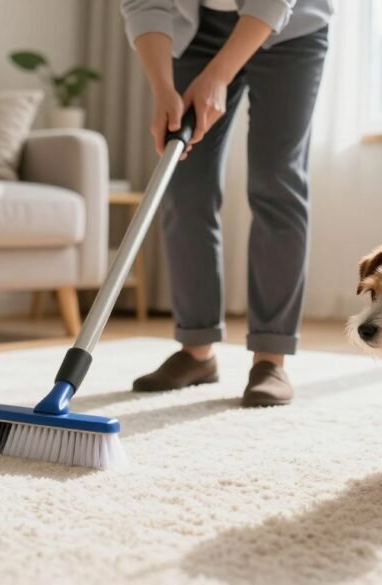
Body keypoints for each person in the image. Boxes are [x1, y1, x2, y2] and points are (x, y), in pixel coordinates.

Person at [120, 0, 333, 406]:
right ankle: (196, 351)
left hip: (291, 27)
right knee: (185, 183)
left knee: (277, 180)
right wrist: (163, 88)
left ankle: (271, 358)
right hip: (196, 29)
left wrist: (218, 75)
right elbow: (144, 3)